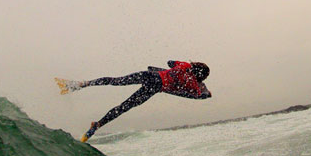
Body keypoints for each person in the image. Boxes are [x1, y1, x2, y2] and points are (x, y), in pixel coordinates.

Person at [56, 61, 211, 142]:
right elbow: (200, 95)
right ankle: (97, 125)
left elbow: (170, 62)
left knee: (116, 81)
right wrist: (204, 88)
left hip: (150, 76)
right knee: (124, 107)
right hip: (154, 88)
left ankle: (80, 84)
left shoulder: (183, 66)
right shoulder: (192, 85)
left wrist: (183, 67)